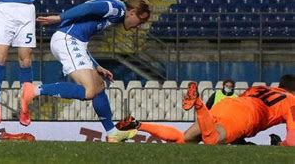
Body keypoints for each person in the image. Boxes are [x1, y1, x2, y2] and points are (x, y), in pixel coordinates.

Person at [20, 0, 151, 142]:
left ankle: (113, 132)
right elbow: (89, 7)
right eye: (140, 21)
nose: (138, 26)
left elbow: (82, 38)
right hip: (67, 39)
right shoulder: (117, 8)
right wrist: (59, 17)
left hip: (76, 42)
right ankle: (33, 90)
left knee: (99, 87)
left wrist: (96, 66)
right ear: (132, 12)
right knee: (89, 91)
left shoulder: (118, 13)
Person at [116, 74, 295, 146]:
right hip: (245, 117)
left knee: (183, 141)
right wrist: (280, 146)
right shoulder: (291, 100)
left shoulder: (261, 87)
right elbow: (293, 141)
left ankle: (137, 124)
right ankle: (199, 103)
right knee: (212, 141)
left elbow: (244, 99)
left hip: (227, 105)